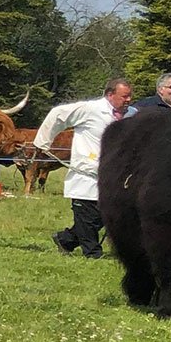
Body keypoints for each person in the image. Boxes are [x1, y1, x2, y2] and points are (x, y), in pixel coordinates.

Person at [34, 78, 135, 258]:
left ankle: (66, 239)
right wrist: (43, 141)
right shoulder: (90, 110)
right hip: (87, 174)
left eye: (129, 96)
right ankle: (92, 253)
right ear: (110, 95)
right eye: (124, 96)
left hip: (116, 177)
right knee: (87, 217)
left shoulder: (133, 115)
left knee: (109, 216)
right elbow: (57, 114)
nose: (128, 100)